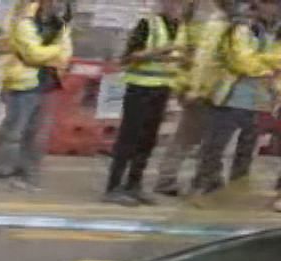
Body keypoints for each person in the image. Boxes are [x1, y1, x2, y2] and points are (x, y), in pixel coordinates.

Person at [192, 0, 280, 194]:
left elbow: (277, 58)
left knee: (246, 149)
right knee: (216, 144)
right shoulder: (239, 27)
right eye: (272, 5)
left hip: (257, 100)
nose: (275, 10)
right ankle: (205, 184)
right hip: (230, 96)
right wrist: (266, 68)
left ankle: (236, 187)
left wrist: (265, 65)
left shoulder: (268, 32)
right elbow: (242, 61)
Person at [105, 0, 187, 203]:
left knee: (147, 140)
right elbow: (128, 57)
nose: (177, 8)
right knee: (129, 138)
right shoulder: (147, 24)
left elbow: (173, 58)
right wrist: (158, 52)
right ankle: (113, 187)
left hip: (162, 89)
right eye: (174, 4)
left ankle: (134, 184)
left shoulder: (179, 27)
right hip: (140, 88)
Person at [0, 0, 73, 191]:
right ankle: (0, 170)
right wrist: (55, 51)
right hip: (22, 83)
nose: (58, 4)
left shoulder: (60, 25)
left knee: (36, 134)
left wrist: (50, 53)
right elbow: (33, 54)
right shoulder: (24, 22)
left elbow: (66, 54)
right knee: (14, 130)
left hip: (47, 84)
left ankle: (26, 173)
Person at [154, 0, 231, 195]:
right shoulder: (212, 17)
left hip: (202, 85)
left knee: (203, 135)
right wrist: (193, 89)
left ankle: (209, 176)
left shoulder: (202, 13)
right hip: (203, 88)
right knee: (191, 136)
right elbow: (202, 60)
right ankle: (169, 179)